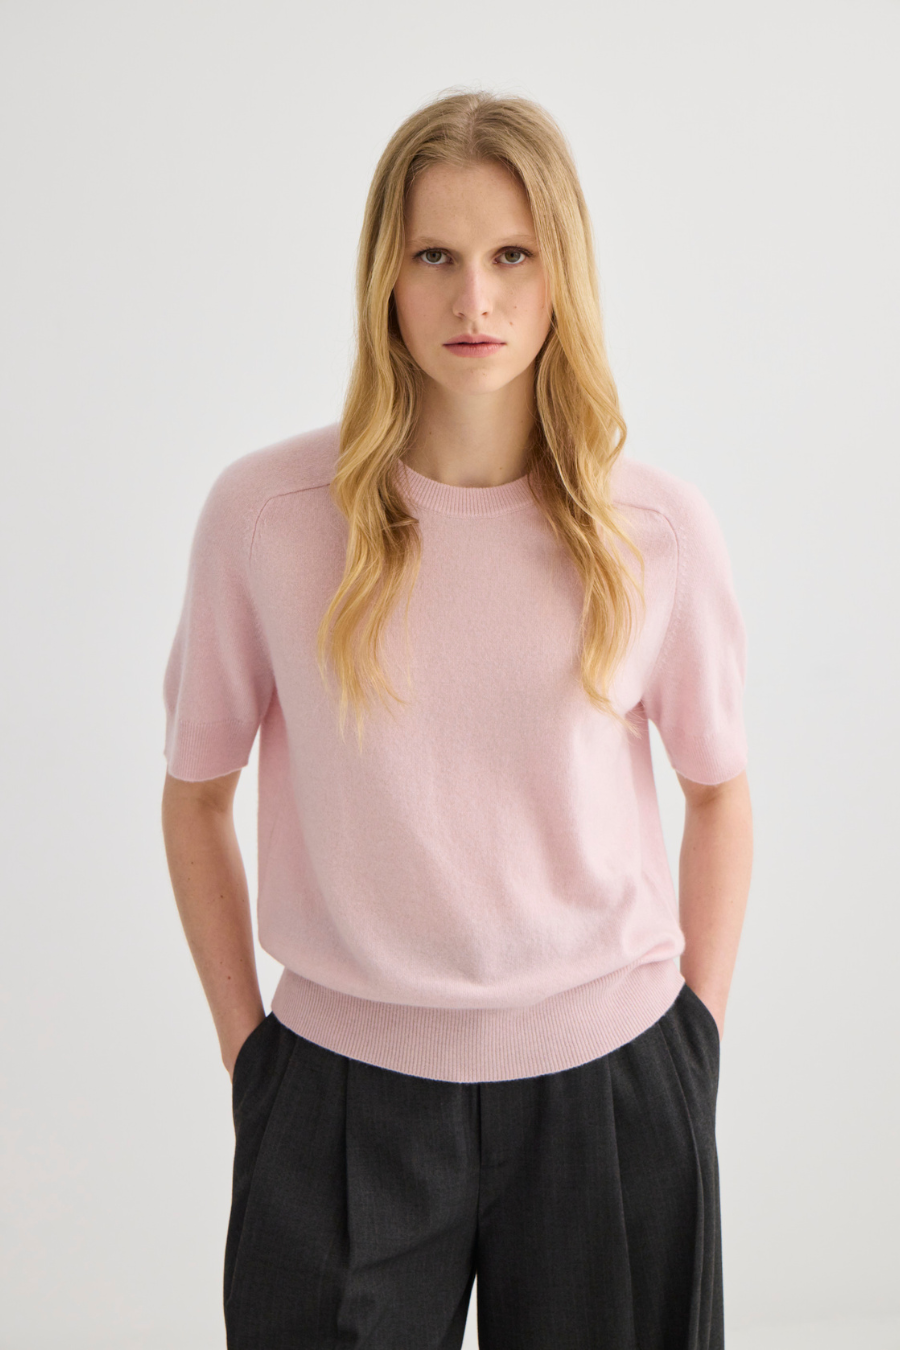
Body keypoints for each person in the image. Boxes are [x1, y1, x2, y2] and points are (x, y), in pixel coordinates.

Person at [161, 87, 753, 1350]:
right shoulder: (266, 517)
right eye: (434, 255)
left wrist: (693, 1039)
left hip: (612, 1096)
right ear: (384, 273)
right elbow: (196, 792)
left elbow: (719, 791)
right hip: (336, 1100)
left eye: (511, 255)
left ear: (561, 271)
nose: (473, 299)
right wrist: (252, 1060)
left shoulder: (654, 530)